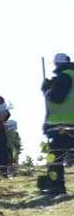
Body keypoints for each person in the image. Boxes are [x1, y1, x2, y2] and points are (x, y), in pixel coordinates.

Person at [41, 53, 74, 194]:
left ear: (57, 64)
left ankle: (56, 186)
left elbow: (57, 98)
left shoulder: (64, 76)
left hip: (62, 124)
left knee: (55, 157)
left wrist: (48, 90)